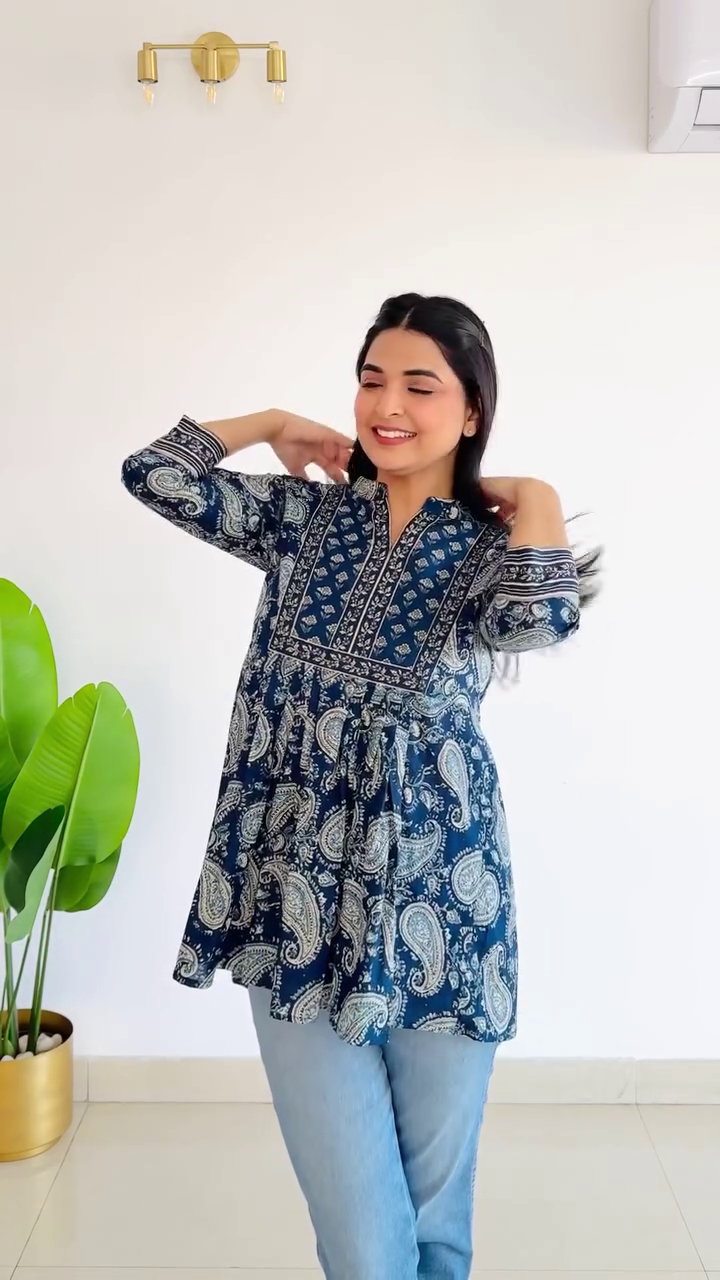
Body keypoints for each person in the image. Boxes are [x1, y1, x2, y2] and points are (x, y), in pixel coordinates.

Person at [121, 294, 597, 1280]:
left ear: (472, 409)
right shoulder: (301, 519)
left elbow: (540, 621)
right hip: (292, 905)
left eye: (421, 386)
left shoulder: (488, 552)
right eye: (372, 379)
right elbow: (154, 473)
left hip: (446, 910)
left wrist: (536, 491)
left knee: (436, 1230)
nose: (388, 404)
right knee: (367, 1247)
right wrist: (269, 422)